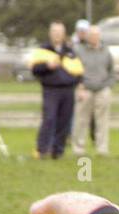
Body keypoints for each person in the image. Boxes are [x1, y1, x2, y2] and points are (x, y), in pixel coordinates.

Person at [29, 21, 83, 160]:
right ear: (50, 33)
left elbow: (78, 72)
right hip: (51, 90)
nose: (57, 34)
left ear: (64, 34)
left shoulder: (70, 51)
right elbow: (35, 69)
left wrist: (80, 86)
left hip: (68, 90)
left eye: (60, 32)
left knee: (64, 121)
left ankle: (58, 151)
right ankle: (42, 149)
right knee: (49, 118)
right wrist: (47, 66)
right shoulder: (43, 50)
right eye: (55, 32)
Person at [73, 24, 115, 157]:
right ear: (87, 36)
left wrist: (108, 86)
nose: (93, 37)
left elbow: (111, 71)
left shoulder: (106, 51)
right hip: (85, 89)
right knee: (81, 120)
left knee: (102, 121)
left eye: (96, 35)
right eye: (91, 35)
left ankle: (102, 148)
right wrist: (79, 86)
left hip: (102, 89)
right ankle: (79, 149)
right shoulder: (79, 50)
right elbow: (74, 70)